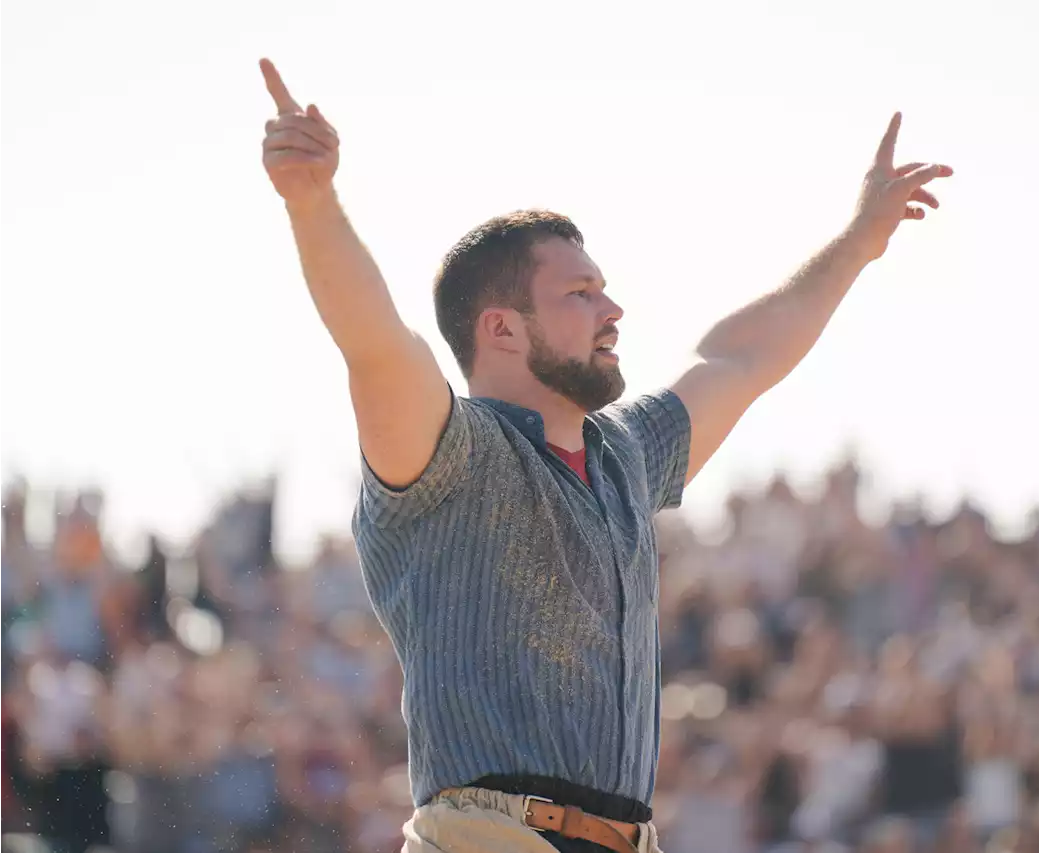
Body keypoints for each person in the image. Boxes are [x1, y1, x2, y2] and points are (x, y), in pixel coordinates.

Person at [256, 57, 951, 853]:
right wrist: (313, 206)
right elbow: (376, 340)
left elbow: (744, 358)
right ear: (503, 329)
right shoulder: (448, 452)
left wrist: (859, 243)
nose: (613, 309)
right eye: (580, 293)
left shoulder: (623, 451)